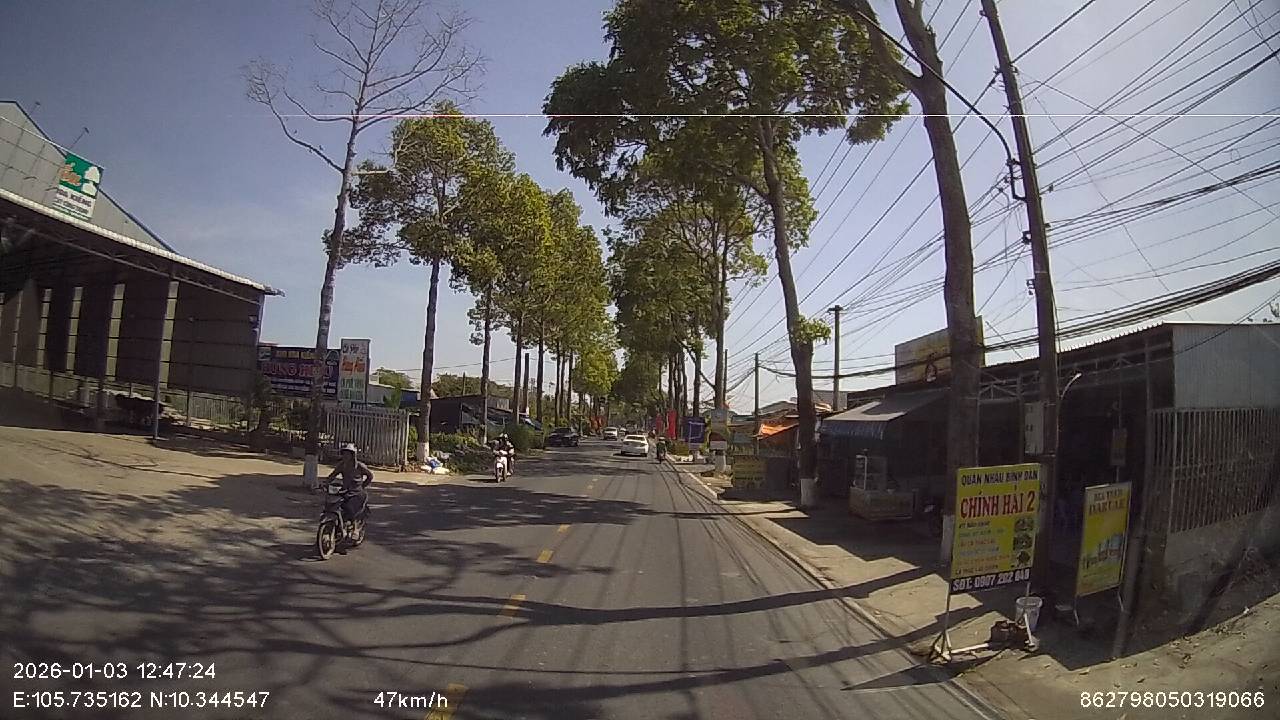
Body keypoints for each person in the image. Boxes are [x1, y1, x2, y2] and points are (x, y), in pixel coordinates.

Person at [328, 443, 373, 526]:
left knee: (351, 508)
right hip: (345, 491)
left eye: (348, 454)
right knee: (335, 503)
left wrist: (362, 486)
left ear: (352, 455)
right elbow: (332, 475)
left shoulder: (359, 466)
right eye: (344, 453)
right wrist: (326, 483)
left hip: (357, 492)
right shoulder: (342, 465)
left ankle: (355, 526)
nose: (345, 456)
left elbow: (370, 476)